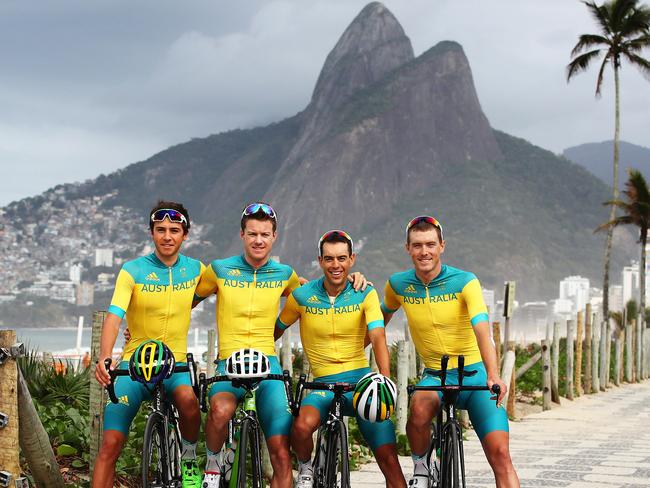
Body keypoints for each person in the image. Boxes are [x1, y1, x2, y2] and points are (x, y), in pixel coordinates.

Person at [194, 203, 367, 488]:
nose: (258, 240)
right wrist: (136, 329)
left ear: (274, 237)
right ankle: (213, 464)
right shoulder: (219, 270)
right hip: (229, 363)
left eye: (264, 234)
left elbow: (318, 292)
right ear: (242, 235)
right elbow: (181, 303)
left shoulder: (285, 274)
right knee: (220, 412)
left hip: (269, 369)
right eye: (252, 234)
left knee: (281, 456)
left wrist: (349, 279)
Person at [381, 216, 519, 487]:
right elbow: (376, 326)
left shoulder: (466, 281)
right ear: (407, 248)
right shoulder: (398, 285)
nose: (424, 251)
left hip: (475, 375)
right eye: (417, 245)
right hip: (435, 375)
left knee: (501, 455)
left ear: (442, 246)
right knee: (418, 410)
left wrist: (493, 374)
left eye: (431, 244)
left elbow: (482, 331)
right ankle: (422, 468)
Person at [276, 230, 406, 488]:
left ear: (352, 259)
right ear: (320, 261)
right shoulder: (302, 296)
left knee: (389, 459)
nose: (336, 265)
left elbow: (378, 337)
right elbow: (275, 330)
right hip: (321, 385)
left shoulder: (365, 293)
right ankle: (305, 470)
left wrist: (385, 381)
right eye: (329, 259)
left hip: (360, 384)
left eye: (342, 258)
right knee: (301, 428)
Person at [93, 201, 204, 488]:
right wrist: (105, 357)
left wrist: (295, 287)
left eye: (174, 230)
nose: (167, 236)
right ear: (151, 233)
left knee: (190, 405)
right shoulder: (132, 270)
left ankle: (189, 456)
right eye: (161, 230)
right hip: (134, 366)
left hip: (175, 365)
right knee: (111, 443)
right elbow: (115, 314)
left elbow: (234, 286)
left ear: (185, 234)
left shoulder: (196, 270)